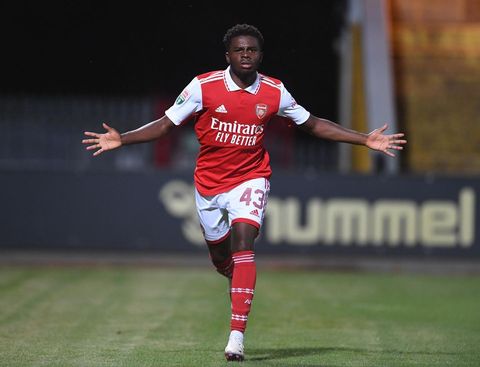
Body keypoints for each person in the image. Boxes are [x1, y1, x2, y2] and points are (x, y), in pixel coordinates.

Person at [82, 23, 406, 362]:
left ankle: (236, 337)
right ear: (229, 55)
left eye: (252, 50)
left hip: (251, 178)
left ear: (260, 55)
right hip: (208, 184)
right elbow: (165, 124)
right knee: (223, 260)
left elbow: (312, 124)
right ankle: (234, 278)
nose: (246, 54)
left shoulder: (274, 91)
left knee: (244, 244)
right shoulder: (203, 86)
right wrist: (123, 138)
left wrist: (364, 139)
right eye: (240, 50)